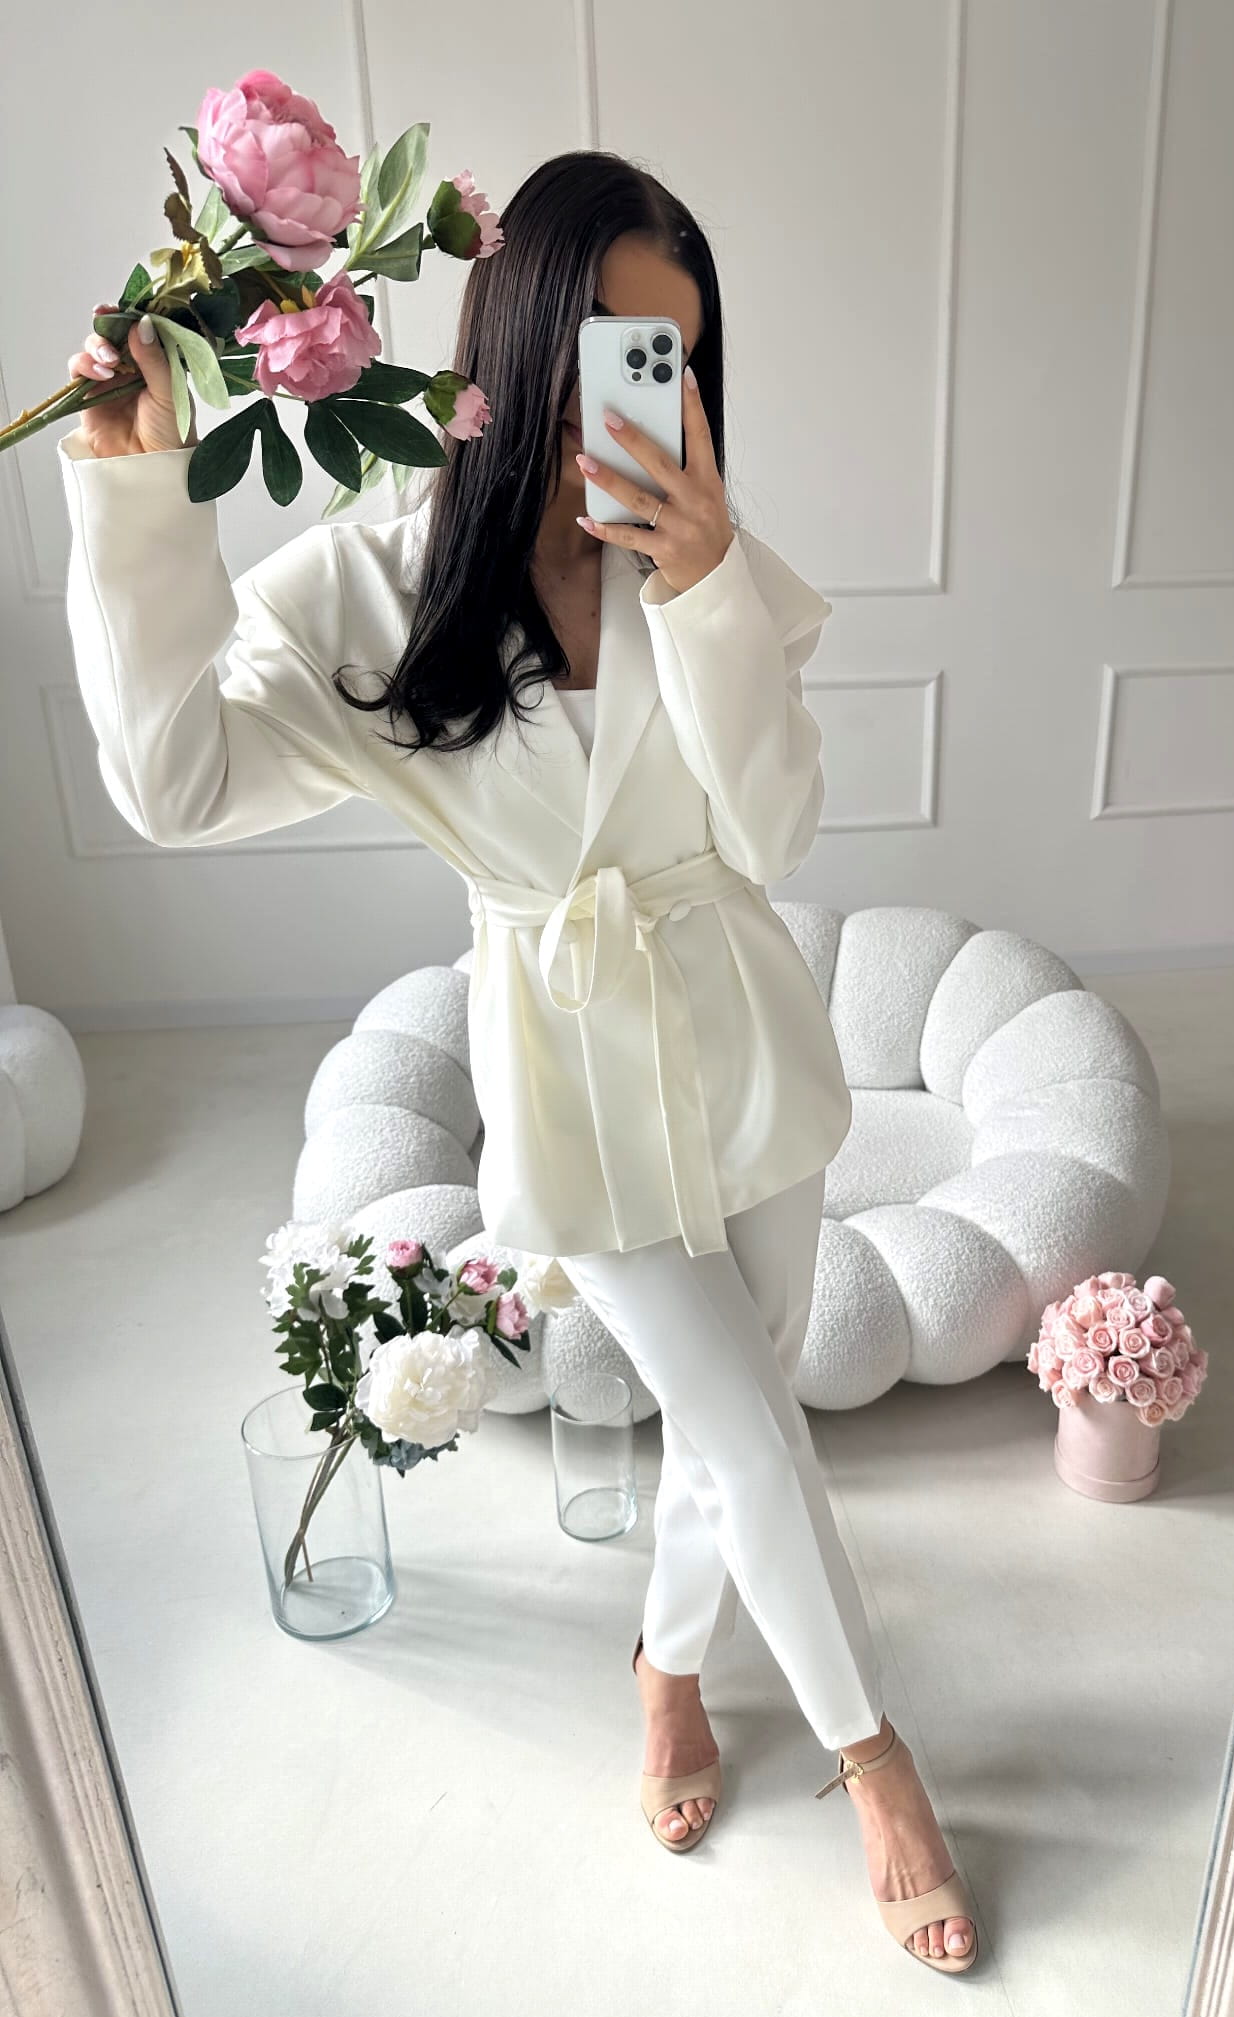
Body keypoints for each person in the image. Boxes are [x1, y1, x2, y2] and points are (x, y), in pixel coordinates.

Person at [57, 149, 977, 1975]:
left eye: (677, 357)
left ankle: (666, 1668)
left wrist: (705, 594)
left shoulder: (703, 563)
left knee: (735, 1415)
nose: (643, 387)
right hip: (565, 1075)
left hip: (746, 1043)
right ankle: (877, 1761)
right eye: (616, 341)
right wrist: (137, 498)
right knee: (750, 1425)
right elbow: (174, 781)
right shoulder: (382, 578)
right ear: (523, 332)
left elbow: (776, 833)